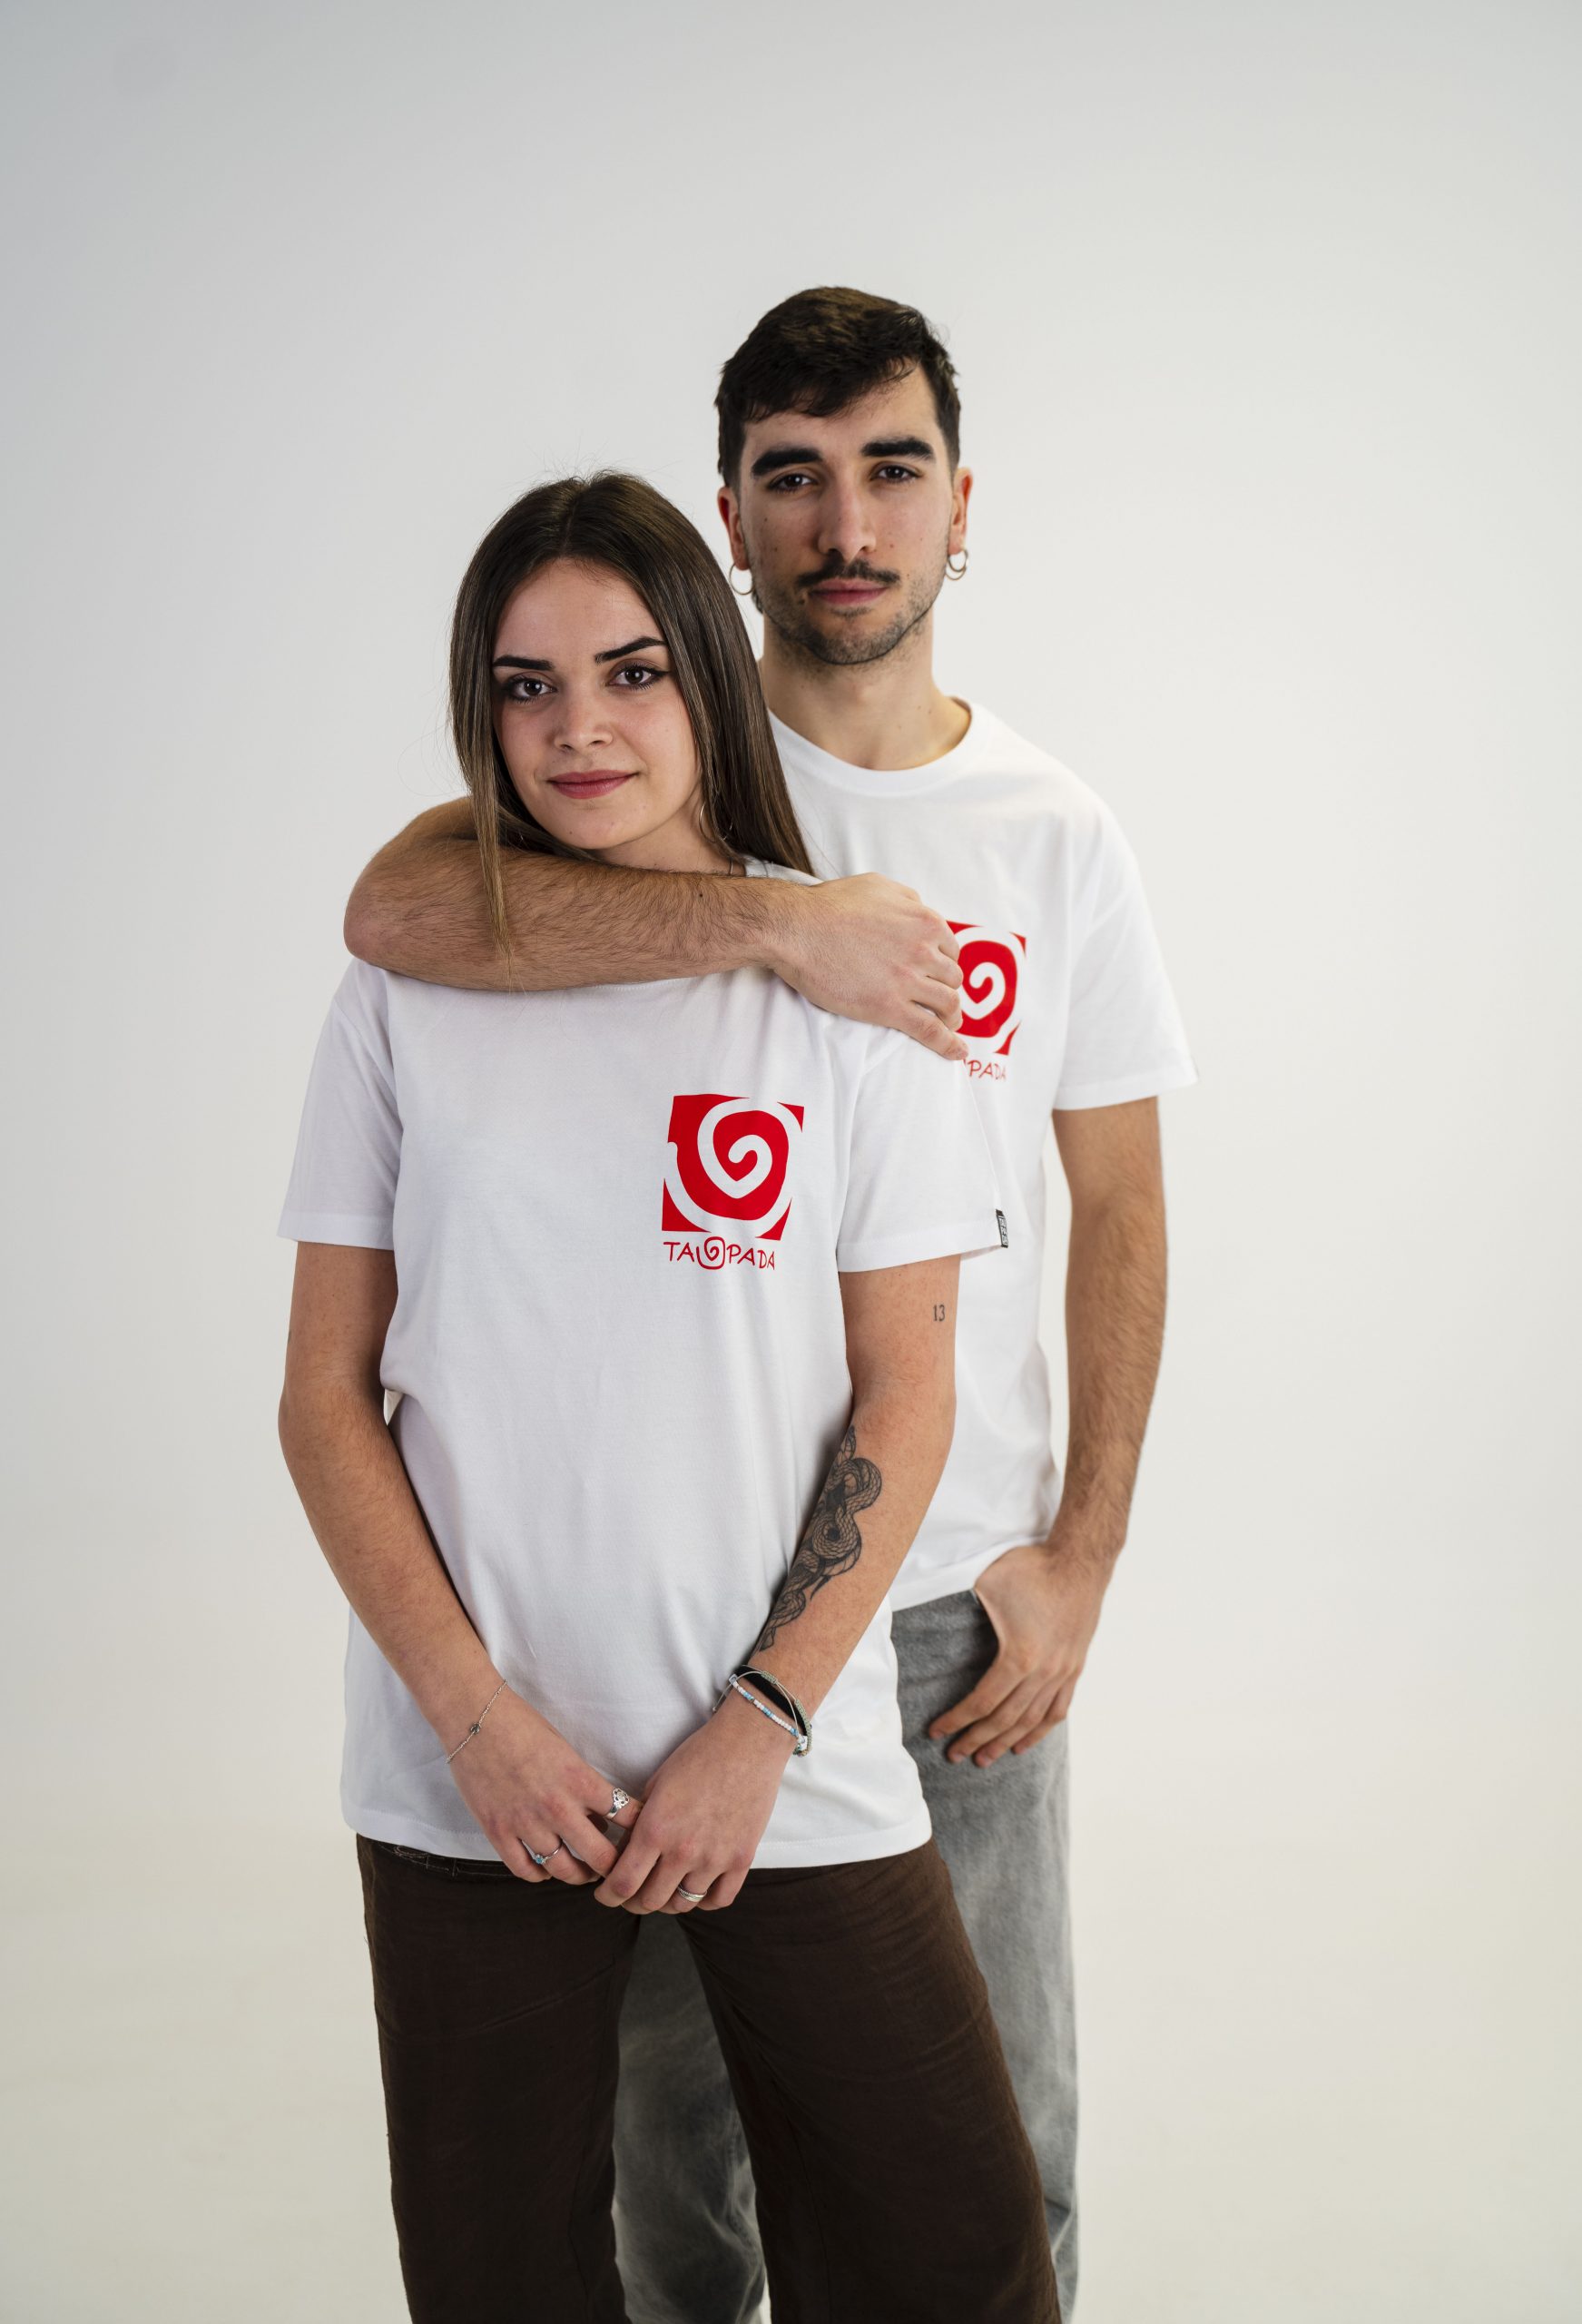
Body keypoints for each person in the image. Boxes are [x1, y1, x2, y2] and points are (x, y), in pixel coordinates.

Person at [344, 290, 1196, 2324]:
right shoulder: (619, 775)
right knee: (680, 2173)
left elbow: (1120, 1206)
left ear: (963, 503)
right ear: (727, 517)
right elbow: (395, 913)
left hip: (949, 1593)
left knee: (987, 2152)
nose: (846, 521)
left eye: (893, 468)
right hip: (667, 1602)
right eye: (792, 476)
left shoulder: (1051, 835)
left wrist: (1080, 1552)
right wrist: (781, 926)